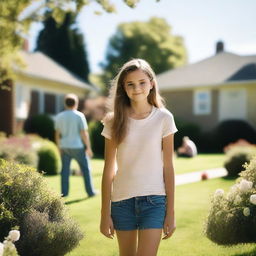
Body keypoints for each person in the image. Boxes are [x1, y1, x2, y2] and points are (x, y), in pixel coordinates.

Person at [100, 59, 178, 256]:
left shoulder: (164, 118)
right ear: (123, 88)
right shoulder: (113, 121)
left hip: (154, 201)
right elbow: (109, 168)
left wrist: (171, 212)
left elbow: (168, 166)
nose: (137, 88)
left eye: (142, 82)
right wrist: (104, 214)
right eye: (130, 84)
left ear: (151, 83)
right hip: (121, 202)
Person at [54, 93, 96, 198]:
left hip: (64, 147)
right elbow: (84, 133)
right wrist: (89, 147)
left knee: (65, 171)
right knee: (86, 169)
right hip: (77, 147)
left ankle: (64, 194)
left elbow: (57, 134)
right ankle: (90, 192)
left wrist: (59, 147)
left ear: (65, 103)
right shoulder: (79, 115)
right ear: (76, 103)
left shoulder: (59, 116)